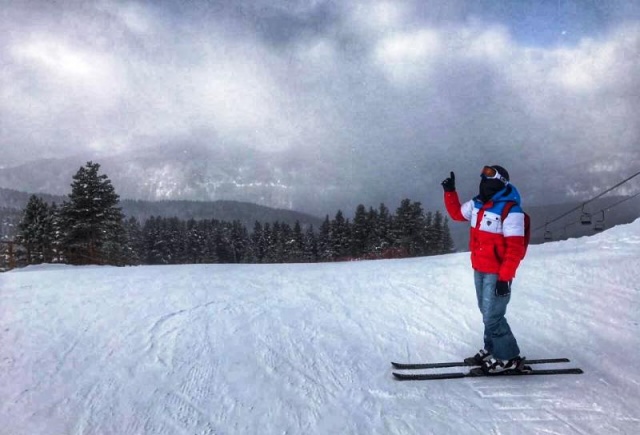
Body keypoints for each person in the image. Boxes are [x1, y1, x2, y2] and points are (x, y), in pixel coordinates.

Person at [441, 165, 527, 373]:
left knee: (493, 316)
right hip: (479, 268)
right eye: (482, 178)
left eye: (489, 179)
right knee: (487, 312)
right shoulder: (478, 204)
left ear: (501, 183)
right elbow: (456, 215)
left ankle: (508, 358)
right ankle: (492, 348)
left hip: (497, 272)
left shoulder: (511, 210)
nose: (483, 182)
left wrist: (505, 278)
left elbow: (515, 249)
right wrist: (450, 192)